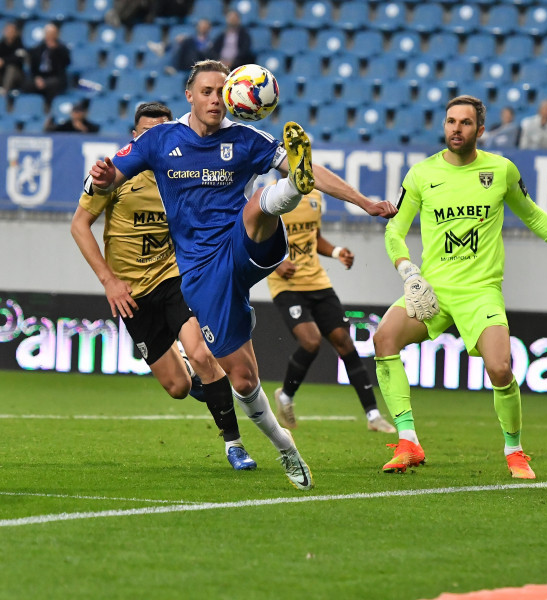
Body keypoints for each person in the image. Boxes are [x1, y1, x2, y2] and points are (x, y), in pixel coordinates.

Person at [88, 60, 396, 491]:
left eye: (222, 91)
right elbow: (107, 179)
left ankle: (291, 188)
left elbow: (313, 169)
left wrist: (363, 202)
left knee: (257, 205)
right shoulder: (160, 140)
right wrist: (102, 180)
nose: (216, 99)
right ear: (190, 96)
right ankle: (284, 446)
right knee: (244, 378)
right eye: (208, 92)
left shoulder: (246, 139)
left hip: (243, 244)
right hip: (199, 272)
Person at [372, 95, 547, 479]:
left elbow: (535, 217)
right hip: (433, 291)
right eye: (451, 121)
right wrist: (407, 269)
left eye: (465, 123)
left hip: (480, 292)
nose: (456, 128)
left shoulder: (501, 170)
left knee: (500, 367)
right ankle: (408, 441)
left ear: (481, 130)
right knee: (383, 339)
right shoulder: (421, 174)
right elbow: (395, 229)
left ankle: (514, 450)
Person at [71, 101, 257, 471]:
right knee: (178, 387)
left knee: (204, 354)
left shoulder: (188, 173)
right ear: (136, 138)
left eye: (162, 132)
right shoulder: (113, 176)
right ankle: (192, 372)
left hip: (174, 277)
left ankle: (234, 445)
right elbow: (79, 226)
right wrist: (109, 282)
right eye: (146, 133)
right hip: (130, 292)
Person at [264, 185, 396, 434]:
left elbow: (313, 238)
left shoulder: (314, 195)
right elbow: (255, 237)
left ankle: (373, 415)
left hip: (318, 283)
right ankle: (286, 396)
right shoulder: (269, 195)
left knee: (344, 342)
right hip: (287, 286)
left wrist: (336, 252)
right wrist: (277, 264)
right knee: (311, 341)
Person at [25, 22, 70, 105]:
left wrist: (56, 50)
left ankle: (49, 108)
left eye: (52, 33)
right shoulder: (38, 48)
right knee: (27, 84)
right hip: (40, 76)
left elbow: (66, 63)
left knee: (53, 85)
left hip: (55, 77)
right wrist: (37, 78)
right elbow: (33, 66)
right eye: (48, 33)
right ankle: (32, 107)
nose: (50, 36)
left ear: (56, 35)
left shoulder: (62, 48)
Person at [0, 21, 26, 95]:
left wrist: (4, 61)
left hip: (17, 76)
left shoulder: (19, 43)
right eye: (7, 31)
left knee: (11, 68)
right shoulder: (2, 44)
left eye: (11, 31)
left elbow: (19, 58)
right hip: (3, 74)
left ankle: (4, 92)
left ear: (15, 32)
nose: (9, 33)